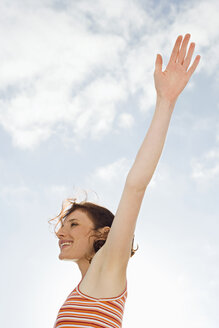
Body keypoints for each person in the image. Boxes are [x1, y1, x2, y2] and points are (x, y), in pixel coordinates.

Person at [51, 33, 201, 328]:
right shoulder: (85, 291)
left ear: (102, 235)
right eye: (63, 225)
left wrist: (165, 102)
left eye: (74, 224)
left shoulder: (109, 267)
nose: (61, 233)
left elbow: (135, 187)